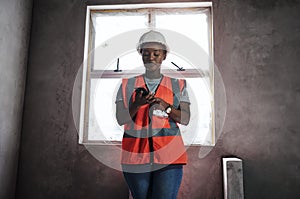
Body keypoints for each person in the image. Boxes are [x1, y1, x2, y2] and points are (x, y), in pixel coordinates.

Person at [115, 30, 191, 199]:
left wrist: (165, 106)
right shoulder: (127, 85)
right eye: (146, 53)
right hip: (135, 157)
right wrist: (136, 104)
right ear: (141, 55)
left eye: (156, 54)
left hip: (169, 158)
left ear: (164, 56)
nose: (151, 58)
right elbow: (121, 118)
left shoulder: (177, 84)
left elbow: (185, 118)